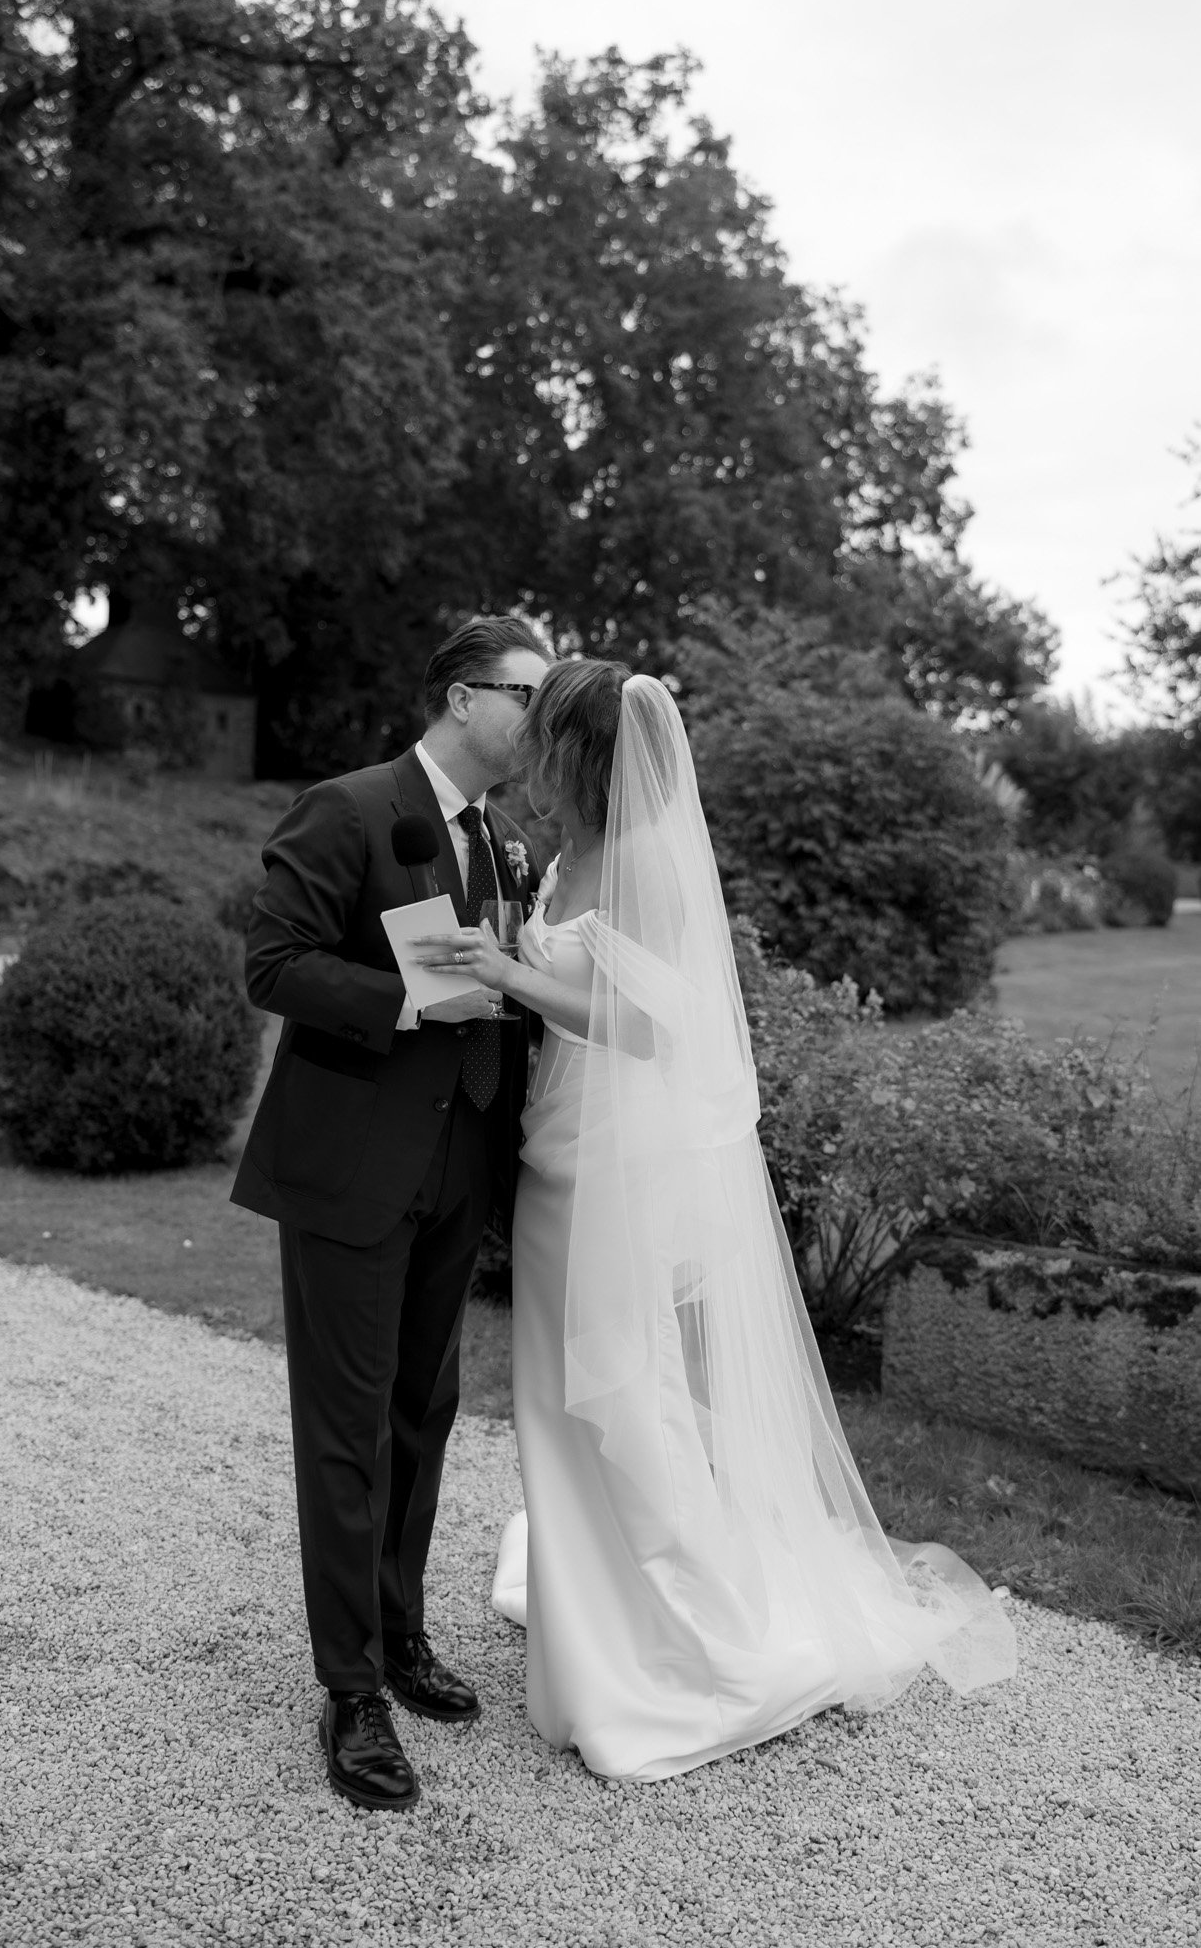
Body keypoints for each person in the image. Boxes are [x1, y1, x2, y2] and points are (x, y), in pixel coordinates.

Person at [416, 661, 1017, 1782]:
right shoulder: (568, 853)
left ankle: (711, 1633)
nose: (531, 760)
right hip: (559, 1153)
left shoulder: (643, 859)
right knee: (564, 1391)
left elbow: (651, 1026)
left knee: (617, 1389)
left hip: (618, 1168)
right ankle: (600, 1618)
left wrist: (509, 971)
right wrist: (492, 964)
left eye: (546, 740)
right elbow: (567, 981)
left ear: (583, 752)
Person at [231, 616, 550, 1811]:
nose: (539, 714)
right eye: (527, 692)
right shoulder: (348, 806)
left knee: (425, 1414)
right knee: (347, 1426)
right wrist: (413, 996)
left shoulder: (505, 842)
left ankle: (403, 1636)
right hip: (352, 1162)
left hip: (459, 1160)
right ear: (464, 698)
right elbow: (272, 964)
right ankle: (350, 1685)